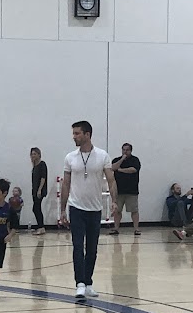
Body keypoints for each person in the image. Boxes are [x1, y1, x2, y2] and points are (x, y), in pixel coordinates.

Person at [57, 120, 114, 303]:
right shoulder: (70, 158)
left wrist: (114, 201)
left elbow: (111, 180)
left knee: (92, 248)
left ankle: (88, 282)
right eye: (73, 133)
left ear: (87, 134)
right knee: (77, 246)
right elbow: (66, 184)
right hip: (76, 208)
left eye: (77, 133)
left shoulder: (102, 156)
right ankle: (79, 283)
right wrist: (63, 210)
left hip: (95, 209)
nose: (74, 137)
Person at [109, 142, 141, 235]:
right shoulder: (117, 160)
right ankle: (116, 228)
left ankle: (136, 229)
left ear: (131, 151)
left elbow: (133, 169)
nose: (125, 152)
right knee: (117, 211)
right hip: (118, 191)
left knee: (134, 211)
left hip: (132, 191)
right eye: (123, 150)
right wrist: (122, 159)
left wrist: (120, 170)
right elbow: (113, 168)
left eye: (127, 150)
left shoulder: (135, 160)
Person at [29, 148, 48, 234]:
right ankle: (40, 226)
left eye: (35, 154)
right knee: (36, 208)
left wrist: (40, 189)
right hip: (35, 190)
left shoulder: (42, 164)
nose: (33, 155)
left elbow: (43, 178)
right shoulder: (34, 166)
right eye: (32, 154)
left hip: (40, 190)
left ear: (39, 154)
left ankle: (41, 227)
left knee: (36, 208)